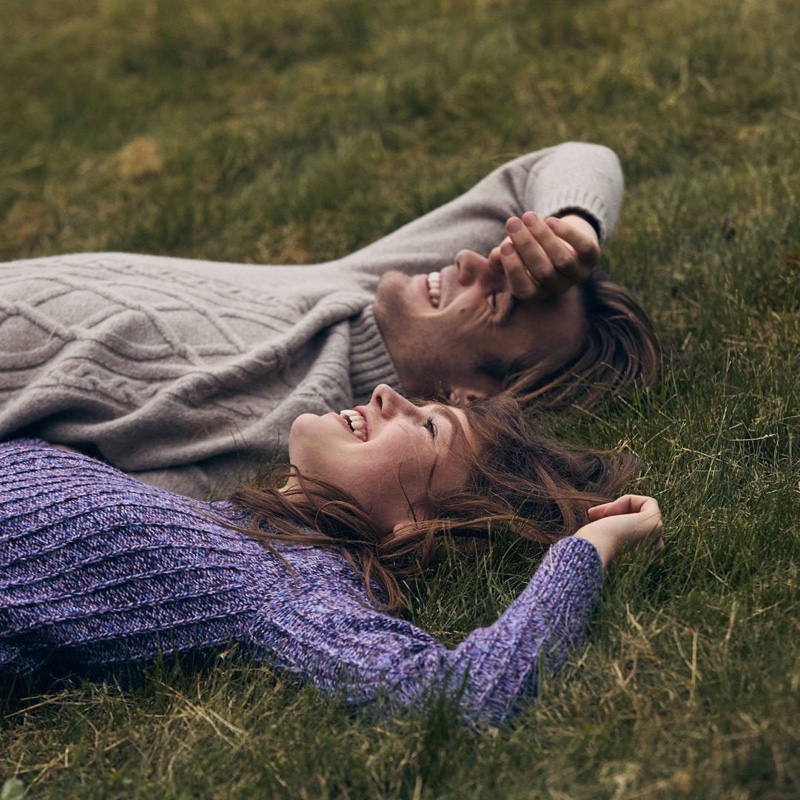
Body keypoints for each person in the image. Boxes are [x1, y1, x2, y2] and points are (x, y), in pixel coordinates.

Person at [0, 142, 659, 499]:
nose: (466, 261)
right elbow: (577, 158)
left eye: (496, 299)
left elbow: (62, 503)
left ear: (471, 397)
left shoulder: (293, 435)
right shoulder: (369, 287)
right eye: (498, 260)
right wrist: (573, 227)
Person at [0, 386, 663, 725]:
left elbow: (462, 698)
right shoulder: (231, 520)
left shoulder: (285, 585)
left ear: (414, 528)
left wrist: (588, 547)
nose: (386, 396)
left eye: (426, 426)